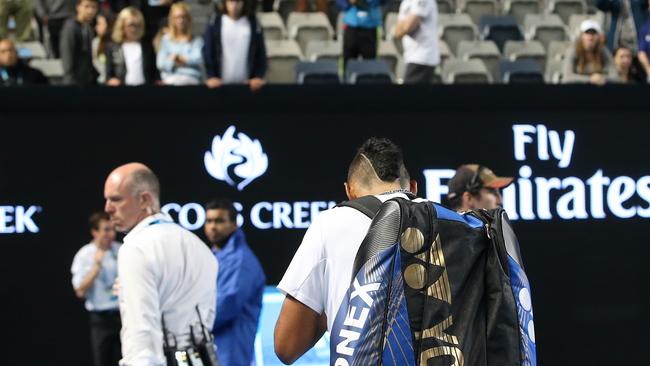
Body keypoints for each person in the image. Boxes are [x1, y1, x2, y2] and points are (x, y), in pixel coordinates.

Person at [274, 137, 414, 363]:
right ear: (414, 188)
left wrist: (330, 308)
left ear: (350, 192)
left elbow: (286, 346)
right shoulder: (449, 222)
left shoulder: (330, 224)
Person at [104, 162, 217, 365]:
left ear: (145, 199)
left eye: (116, 199)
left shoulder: (136, 249)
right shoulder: (199, 246)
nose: (108, 208)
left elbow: (142, 337)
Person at [203, 199, 265, 366]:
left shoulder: (241, 261)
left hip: (230, 354)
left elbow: (225, 306)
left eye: (220, 221)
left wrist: (187, 324)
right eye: (209, 221)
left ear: (234, 224)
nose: (213, 226)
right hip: (212, 350)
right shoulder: (213, 256)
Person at [71, 212, 122, 366]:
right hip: (101, 320)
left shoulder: (122, 250)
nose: (111, 234)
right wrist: (96, 267)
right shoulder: (84, 255)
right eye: (106, 230)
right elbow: (80, 291)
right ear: (95, 232)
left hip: (123, 316)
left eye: (113, 229)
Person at [202, 0, 267, 92]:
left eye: (238, 1)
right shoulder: (215, 22)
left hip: (247, 87)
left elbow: (261, 52)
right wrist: (211, 75)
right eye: (231, 1)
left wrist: (258, 76)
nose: (234, 5)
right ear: (225, 2)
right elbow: (208, 51)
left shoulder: (253, 23)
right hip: (220, 86)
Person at [106, 7, 159, 86]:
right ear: (122, 25)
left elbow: (154, 70)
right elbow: (109, 73)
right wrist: (111, 80)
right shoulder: (113, 47)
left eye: (138, 25)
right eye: (131, 25)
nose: (134, 29)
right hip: (122, 91)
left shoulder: (147, 46)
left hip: (145, 89)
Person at [156, 2, 203, 85]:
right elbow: (160, 63)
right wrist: (184, 61)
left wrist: (175, 58)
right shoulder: (166, 40)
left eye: (184, 17)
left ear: (189, 19)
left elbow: (199, 60)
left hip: (191, 80)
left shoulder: (197, 40)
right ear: (172, 19)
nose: (181, 20)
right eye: (177, 17)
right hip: (171, 80)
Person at [394, 0, 439, 84]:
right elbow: (397, 32)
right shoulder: (405, 2)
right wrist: (405, 27)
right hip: (411, 56)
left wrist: (405, 26)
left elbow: (408, 26)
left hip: (423, 57)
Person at [562, 19, 618, 85]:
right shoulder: (572, 51)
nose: (590, 36)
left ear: (598, 37)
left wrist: (602, 78)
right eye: (587, 33)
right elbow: (567, 78)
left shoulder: (604, 51)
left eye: (594, 33)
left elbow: (615, 77)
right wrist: (590, 79)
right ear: (581, 35)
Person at [60, 0, 100, 86]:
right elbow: (67, 57)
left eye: (94, 7)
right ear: (78, 7)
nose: (90, 11)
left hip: (87, 83)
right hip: (73, 84)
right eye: (87, 6)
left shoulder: (88, 29)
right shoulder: (70, 27)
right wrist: (70, 82)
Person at [445, 164, 513, 212]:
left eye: (499, 192)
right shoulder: (452, 232)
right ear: (469, 198)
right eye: (493, 192)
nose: (500, 201)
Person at [336, 0, 386, 66]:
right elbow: (340, 3)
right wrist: (348, 3)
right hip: (352, 26)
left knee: (370, 65)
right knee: (349, 64)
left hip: (370, 27)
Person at [93, 9, 115, 84]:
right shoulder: (95, 42)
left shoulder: (116, 43)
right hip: (99, 82)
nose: (96, 27)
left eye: (99, 24)